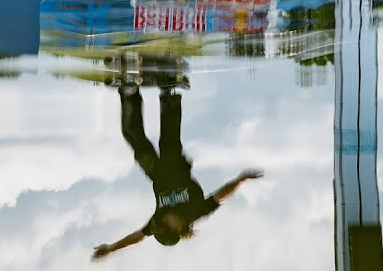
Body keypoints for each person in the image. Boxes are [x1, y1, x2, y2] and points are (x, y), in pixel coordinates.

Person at [92, 67, 263, 260]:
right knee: (169, 139)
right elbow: (221, 196)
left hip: (155, 172)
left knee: (132, 135)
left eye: (161, 224)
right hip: (177, 167)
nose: (163, 219)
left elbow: (138, 237)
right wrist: (240, 180)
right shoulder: (197, 212)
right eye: (167, 224)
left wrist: (112, 248)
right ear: (179, 227)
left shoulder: (157, 223)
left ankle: (129, 91)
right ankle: (169, 91)